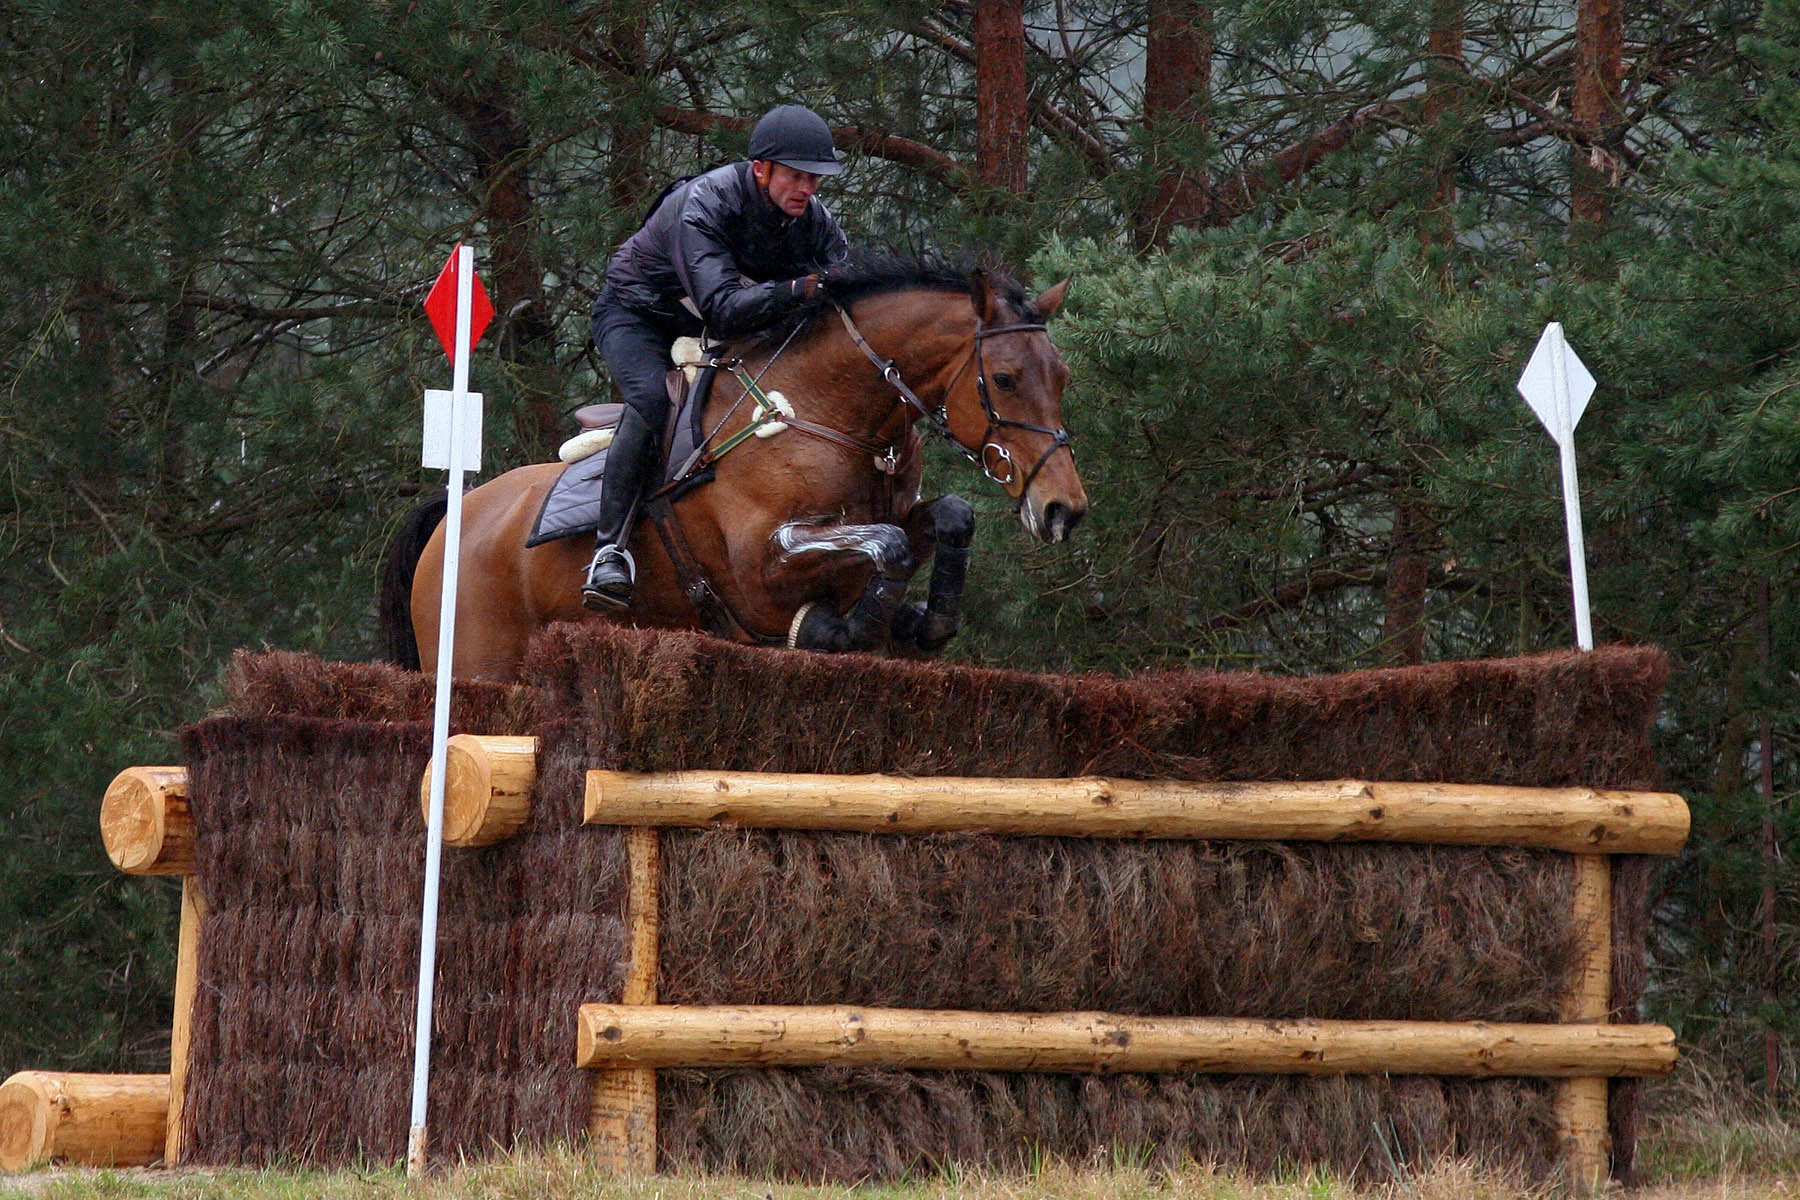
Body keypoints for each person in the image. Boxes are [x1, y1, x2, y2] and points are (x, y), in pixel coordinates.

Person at [582, 103, 850, 610]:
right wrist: (801, 287)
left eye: (815, 180)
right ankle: (609, 550)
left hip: (710, 323)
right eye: (796, 177)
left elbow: (847, 286)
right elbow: (725, 310)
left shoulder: (813, 219)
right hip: (638, 317)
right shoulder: (703, 203)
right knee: (654, 401)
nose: (807, 190)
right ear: (760, 169)